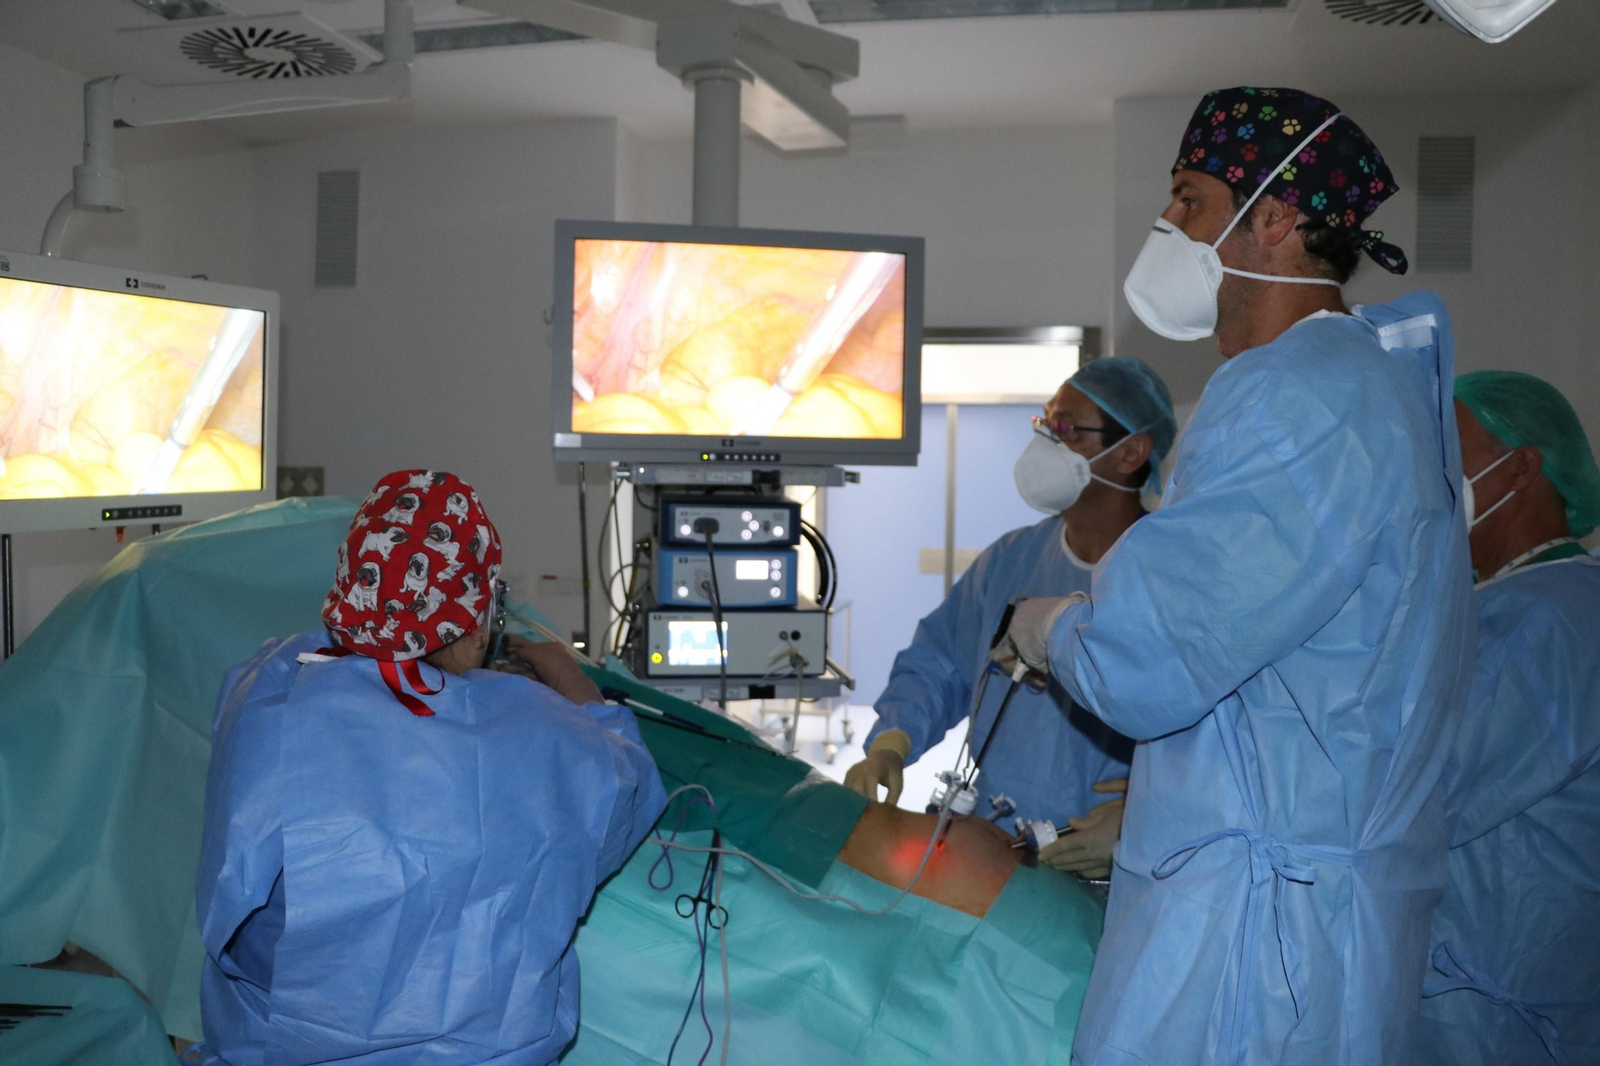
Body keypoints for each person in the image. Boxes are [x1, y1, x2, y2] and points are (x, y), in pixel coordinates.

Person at [997, 88, 1474, 1065]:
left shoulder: (1302, 396)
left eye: (1187, 200)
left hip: (1256, 946)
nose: (1165, 228)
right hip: (1290, 918)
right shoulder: (1335, 388)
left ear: (1277, 218)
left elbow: (1147, 655)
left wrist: (1049, 630)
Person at [194, 470, 667, 1066]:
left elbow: (234, 899)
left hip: (270, 1046)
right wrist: (562, 671)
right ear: (478, 617)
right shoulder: (535, 732)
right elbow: (630, 784)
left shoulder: (266, 684)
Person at [844, 357, 1175, 879]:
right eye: (1044, 421)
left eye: (1064, 428)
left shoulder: (1171, 578)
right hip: (988, 847)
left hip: (1108, 869)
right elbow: (939, 663)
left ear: (1131, 452)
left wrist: (1153, 811)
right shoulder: (1012, 560)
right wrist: (891, 743)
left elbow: (1217, 730)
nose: (1045, 438)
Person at [1414, 371, 1600, 1066]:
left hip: (1499, 1014)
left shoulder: (1548, 623)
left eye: (1446, 451)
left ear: (1522, 466)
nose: (1426, 473)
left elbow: (1414, 793)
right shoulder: (1504, 606)